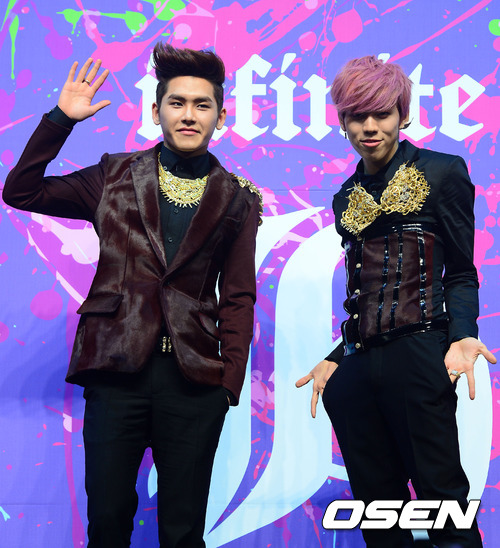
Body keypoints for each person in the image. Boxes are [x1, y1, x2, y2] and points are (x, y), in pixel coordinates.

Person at [3, 43, 262, 548]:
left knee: (183, 532)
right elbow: (21, 191)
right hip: (115, 371)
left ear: (221, 116)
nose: (189, 115)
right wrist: (61, 120)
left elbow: (238, 297)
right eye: (177, 103)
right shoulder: (113, 175)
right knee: (107, 521)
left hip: (193, 381)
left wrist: (228, 384)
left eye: (202, 105)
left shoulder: (238, 198)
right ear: (156, 110)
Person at [296, 56, 496, 547]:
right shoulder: (346, 195)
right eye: (356, 116)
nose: (369, 127)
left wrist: (463, 334)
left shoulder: (443, 171)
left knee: (445, 508)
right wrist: (338, 354)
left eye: (381, 113)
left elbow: (461, 271)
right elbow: (363, 291)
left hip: (420, 355)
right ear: (342, 121)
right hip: (357, 369)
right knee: (378, 516)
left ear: (402, 115)